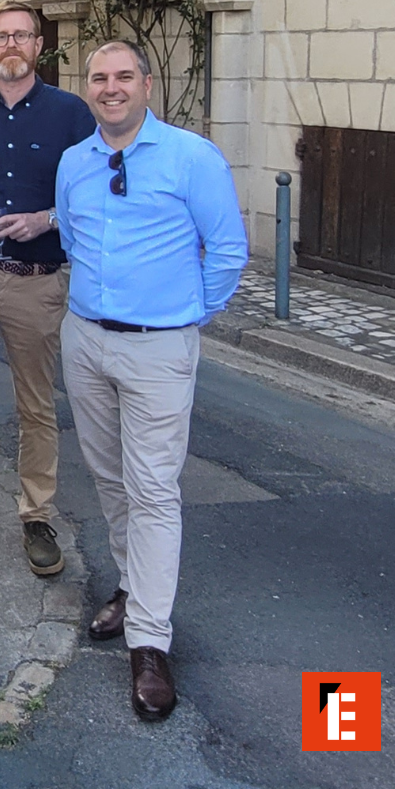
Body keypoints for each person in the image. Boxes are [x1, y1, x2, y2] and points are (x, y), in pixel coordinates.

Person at [56, 41, 246, 723]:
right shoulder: (75, 161)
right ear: (89, 88)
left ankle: (150, 644)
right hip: (85, 341)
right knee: (110, 481)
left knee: (153, 488)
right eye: (99, 78)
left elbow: (227, 251)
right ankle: (134, 590)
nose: (111, 89)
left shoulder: (191, 158)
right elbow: (74, 241)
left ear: (147, 84)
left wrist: (185, 315)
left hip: (159, 349)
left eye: (123, 77)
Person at [0, 1, 97, 578]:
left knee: (35, 405)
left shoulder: (72, 114)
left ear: (38, 46)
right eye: (0, 36)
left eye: (21, 35)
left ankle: (36, 515)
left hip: (37, 283)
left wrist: (46, 220)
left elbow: (91, 194)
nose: (10, 45)